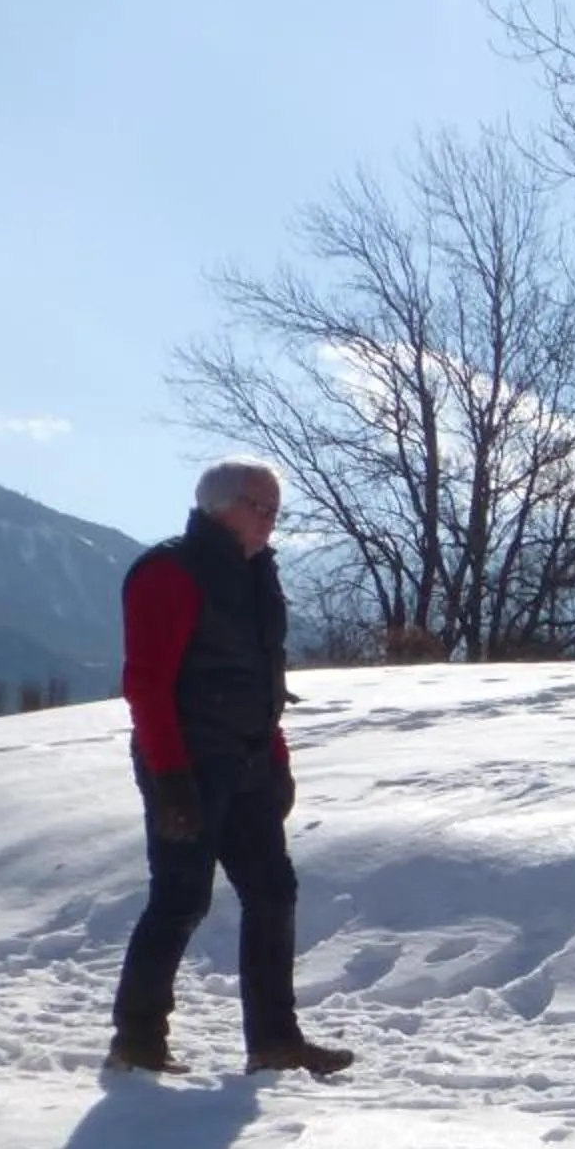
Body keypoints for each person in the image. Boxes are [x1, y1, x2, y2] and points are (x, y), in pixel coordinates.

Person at [104, 459, 356, 1080]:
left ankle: (276, 1043)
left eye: (275, 509)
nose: (270, 519)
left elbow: (264, 682)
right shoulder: (168, 573)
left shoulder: (255, 577)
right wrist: (171, 778)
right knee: (180, 899)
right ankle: (136, 1044)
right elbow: (147, 684)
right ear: (221, 507)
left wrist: (275, 761)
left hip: (245, 764)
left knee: (273, 892)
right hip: (186, 763)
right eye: (259, 505)